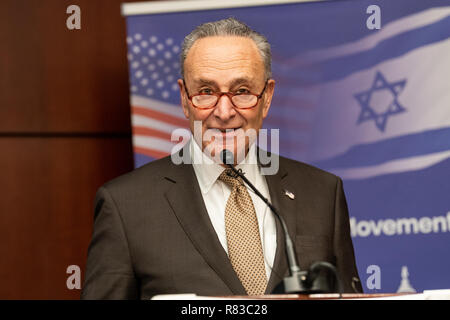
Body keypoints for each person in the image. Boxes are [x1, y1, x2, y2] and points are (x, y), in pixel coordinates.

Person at [81, 17, 362, 299]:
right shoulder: (124, 206)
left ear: (266, 98)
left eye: (242, 91)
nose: (224, 111)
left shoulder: (323, 193)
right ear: (184, 98)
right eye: (206, 92)